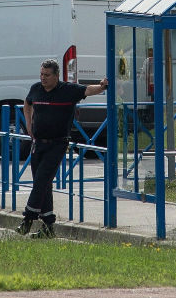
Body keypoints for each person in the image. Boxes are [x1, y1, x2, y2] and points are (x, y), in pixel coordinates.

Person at [16, 59, 108, 238]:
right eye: (41, 74)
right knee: (43, 184)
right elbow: (27, 104)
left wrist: (102, 86)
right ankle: (48, 227)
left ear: (56, 76)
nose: (43, 78)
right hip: (38, 143)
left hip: (57, 144)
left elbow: (88, 90)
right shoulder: (36, 89)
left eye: (47, 75)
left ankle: (28, 219)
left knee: (42, 180)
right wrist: (28, 123)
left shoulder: (67, 90)